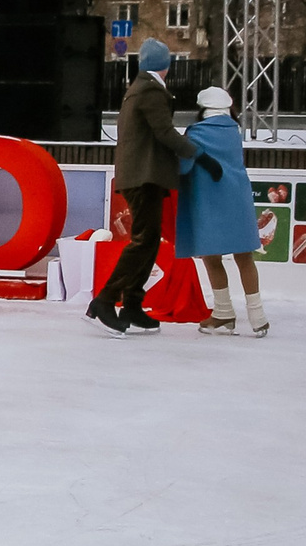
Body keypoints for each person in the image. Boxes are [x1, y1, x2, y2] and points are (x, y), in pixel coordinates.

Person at [94, 37, 218, 337]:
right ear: (165, 66)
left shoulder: (140, 87)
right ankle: (105, 300)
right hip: (143, 176)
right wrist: (199, 155)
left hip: (144, 175)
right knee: (143, 241)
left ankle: (133, 304)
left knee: (148, 241)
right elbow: (164, 132)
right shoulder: (150, 89)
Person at [178, 86, 268, 337]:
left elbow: (183, 167)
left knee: (211, 256)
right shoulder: (234, 132)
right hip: (238, 199)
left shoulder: (195, 134)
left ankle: (223, 312)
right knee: (244, 256)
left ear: (202, 109)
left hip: (208, 201)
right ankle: (258, 315)